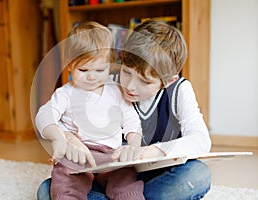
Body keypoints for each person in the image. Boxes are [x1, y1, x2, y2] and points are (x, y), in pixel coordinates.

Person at [37, 19, 212, 200]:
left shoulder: (179, 90)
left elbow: (200, 141)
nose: (130, 86)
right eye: (127, 72)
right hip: (105, 171)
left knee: (199, 174)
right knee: (47, 189)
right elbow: (57, 114)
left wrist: (143, 152)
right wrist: (68, 137)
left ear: (168, 81)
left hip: (152, 176)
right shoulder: (103, 77)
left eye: (144, 81)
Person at [35, 21, 145, 200]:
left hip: (111, 154)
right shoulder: (65, 93)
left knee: (125, 179)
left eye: (100, 69)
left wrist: (133, 145)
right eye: (83, 69)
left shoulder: (116, 90)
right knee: (66, 178)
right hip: (78, 153)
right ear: (69, 65)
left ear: (110, 65)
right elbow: (44, 115)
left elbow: (132, 121)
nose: (92, 76)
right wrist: (57, 137)